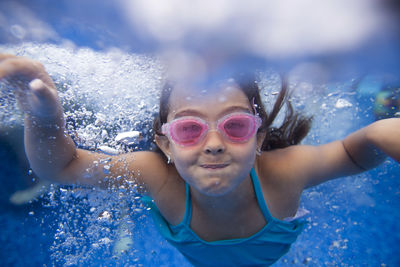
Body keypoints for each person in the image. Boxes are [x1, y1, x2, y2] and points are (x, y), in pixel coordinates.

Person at [0, 54, 399, 267]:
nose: (213, 144)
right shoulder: (158, 176)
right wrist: (44, 116)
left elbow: (352, 152)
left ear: (259, 137)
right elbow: (63, 167)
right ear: (166, 144)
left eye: (236, 126)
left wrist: (381, 133)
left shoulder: (283, 173)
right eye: (190, 129)